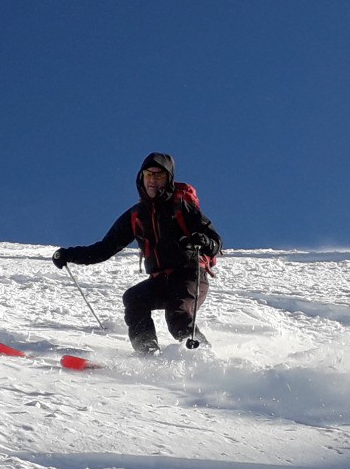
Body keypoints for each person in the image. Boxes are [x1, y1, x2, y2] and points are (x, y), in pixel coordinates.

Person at [52, 152, 222, 354]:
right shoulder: (136, 215)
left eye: (159, 176)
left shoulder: (182, 207)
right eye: (149, 175)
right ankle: (148, 354)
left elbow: (216, 243)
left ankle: (204, 357)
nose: (153, 180)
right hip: (161, 280)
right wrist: (68, 255)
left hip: (190, 276)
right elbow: (104, 248)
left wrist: (202, 241)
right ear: (141, 177)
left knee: (177, 314)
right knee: (134, 299)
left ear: (169, 179)